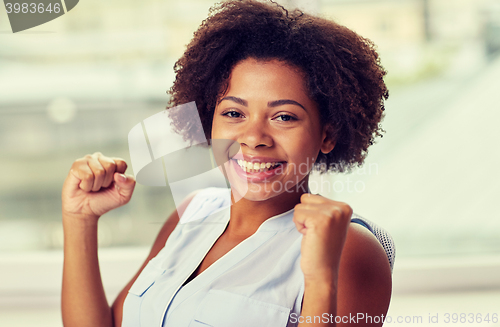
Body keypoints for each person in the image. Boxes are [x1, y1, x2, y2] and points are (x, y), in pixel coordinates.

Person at [61, 0, 393, 326]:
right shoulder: (191, 212)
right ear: (209, 119)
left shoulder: (348, 248)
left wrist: (321, 277)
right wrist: (79, 220)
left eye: (284, 116)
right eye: (234, 113)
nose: (254, 137)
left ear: (327, 135)